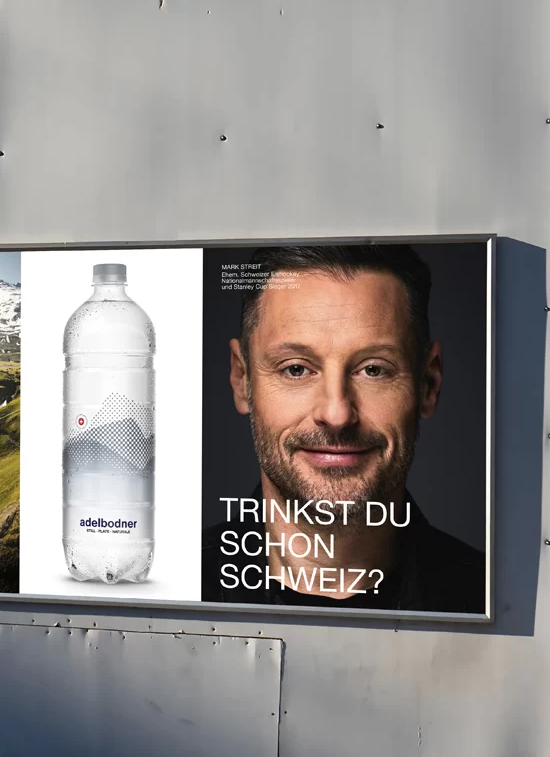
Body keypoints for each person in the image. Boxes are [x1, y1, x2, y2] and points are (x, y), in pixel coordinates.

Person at [201, 244, 485, 612]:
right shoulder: (169, 592)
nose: (336, 414)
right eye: (296, 368)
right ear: (243, 380)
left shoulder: (494, 598)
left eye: (373, 369)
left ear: (428, 384)